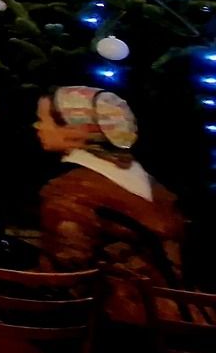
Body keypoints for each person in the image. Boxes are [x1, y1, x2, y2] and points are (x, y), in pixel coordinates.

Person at [33, 86, 184, 330]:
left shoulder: (71, 191)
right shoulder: (145, 180)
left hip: (118, 324)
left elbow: (65, 275)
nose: (37, 127)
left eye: (44, 120)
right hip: (172, 313)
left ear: (76, 130)